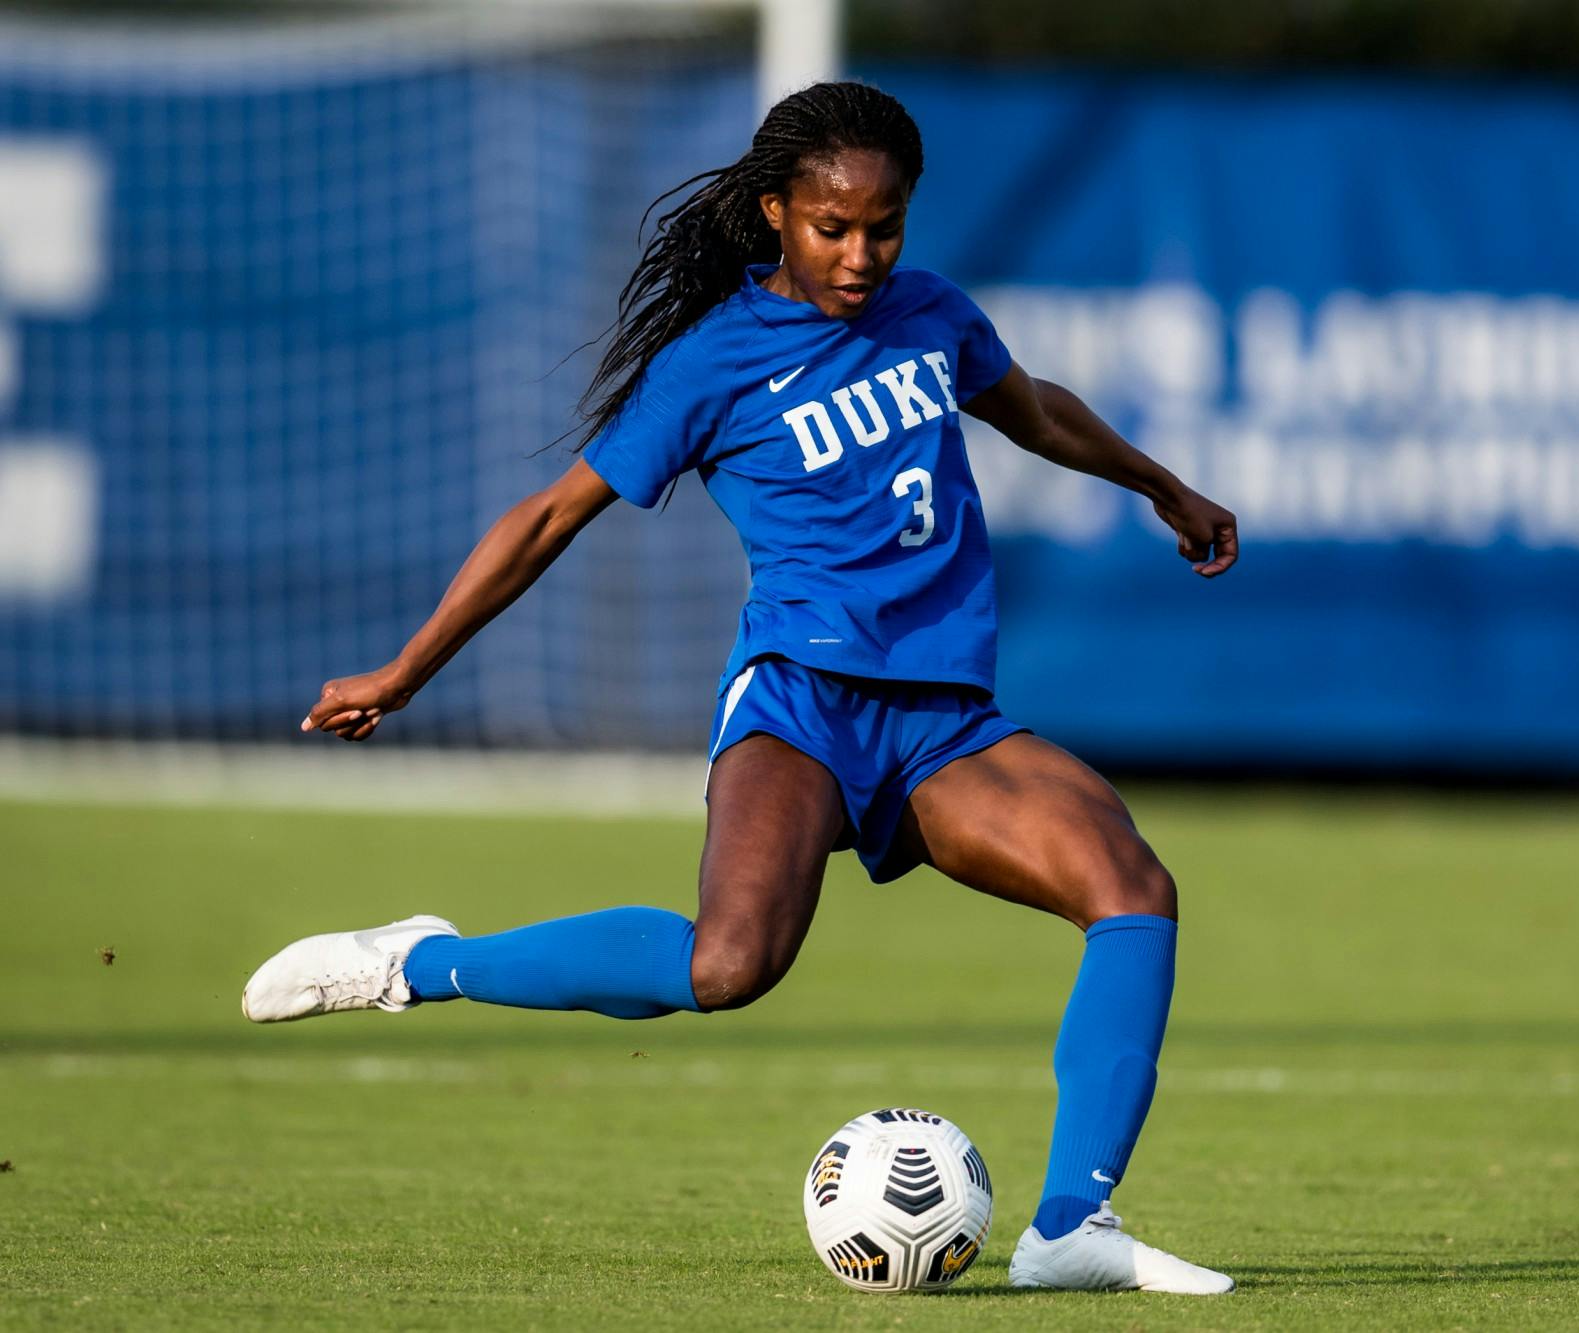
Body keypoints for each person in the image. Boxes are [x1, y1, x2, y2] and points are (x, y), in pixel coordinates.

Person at [243, 81, 1238, 1295]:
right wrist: (407, 670)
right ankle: (421, 962)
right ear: (774, 211)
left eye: (885, 226)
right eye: (832, 228)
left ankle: (1071, 1227)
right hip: (800, 707)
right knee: (728, 966)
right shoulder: (711, 361)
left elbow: (1030, 410)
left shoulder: (934, 317)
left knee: (1133, 889)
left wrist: (1159, 485)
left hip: (943, 722)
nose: (861, 254)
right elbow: (551, 517)